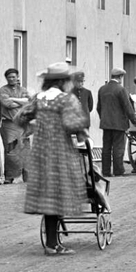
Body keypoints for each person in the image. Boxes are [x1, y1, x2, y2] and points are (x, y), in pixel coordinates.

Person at [17, 62, 90, 256]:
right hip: (59, 152)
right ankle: (53, 244)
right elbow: (71, 123)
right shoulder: (66, 99)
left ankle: (52, 242)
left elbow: (20, 117)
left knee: (49, 197)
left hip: (41, 153)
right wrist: (82, 129)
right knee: (59, 195)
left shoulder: (39, 98)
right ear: (63, 82)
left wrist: (33, 125)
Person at [97, 68, 136, 177]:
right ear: (120, 77)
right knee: (118, 148)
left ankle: (106, 171)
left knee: (106, 148)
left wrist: (104, 118)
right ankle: (118, 170)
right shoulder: (121, 90)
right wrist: (135, 121)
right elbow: (128, 107)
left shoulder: (102, 89)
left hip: (106, 124)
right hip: (119, 125)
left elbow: (98, 108)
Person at [0, 68, 31, 184]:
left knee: (25, 149)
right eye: (9, 77)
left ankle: (27, 176)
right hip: (9, 124)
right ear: (6, 78)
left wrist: (14, 99)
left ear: (17, 77)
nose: (12, 79)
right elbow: (7, 103)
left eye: (14, 76)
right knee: (11, 150)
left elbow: (29, 102)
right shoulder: (2, 90)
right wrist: (21, 102)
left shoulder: (23, 90)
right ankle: (9, 176)